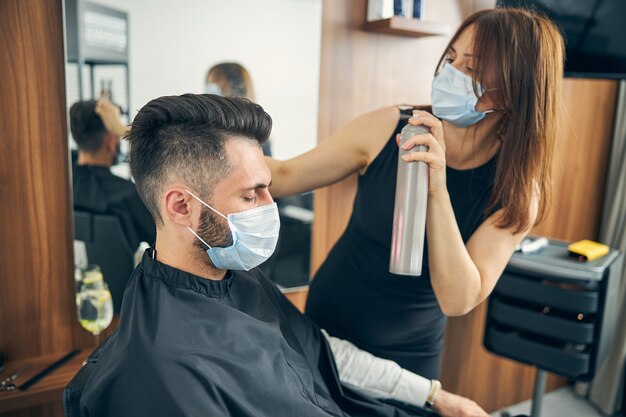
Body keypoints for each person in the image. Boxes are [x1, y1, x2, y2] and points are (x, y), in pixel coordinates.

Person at [78, 94, 490, 417]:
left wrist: (434, 395)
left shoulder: (239, 276)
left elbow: (323, 353)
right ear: (182, 206)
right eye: (250, 193)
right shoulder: (164, 371)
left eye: (267, 187)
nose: (270, 204)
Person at [266, 7, 564, 382]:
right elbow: (285, 175)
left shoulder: (516, 190)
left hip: (410, 356)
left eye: (470, 68)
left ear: (513, 90)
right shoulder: (389, 127)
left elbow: (458, 298)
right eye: (450, 58)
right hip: (326, 329)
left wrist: (436, 188)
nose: (449, 74)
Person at [70, 99, 155, 249]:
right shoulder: (129, 195)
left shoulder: (63, 184)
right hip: (122, 272)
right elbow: (162, 240)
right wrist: (125, 131)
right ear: (110, 143)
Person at [205, 61, 272, 156]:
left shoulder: (256, 138)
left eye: (216, 83)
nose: (210, 89)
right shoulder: (205, 129)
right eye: (209, 83)